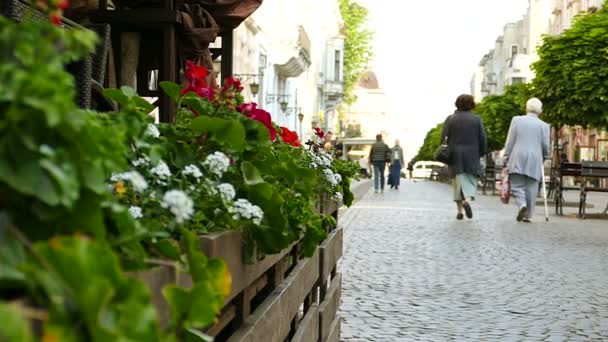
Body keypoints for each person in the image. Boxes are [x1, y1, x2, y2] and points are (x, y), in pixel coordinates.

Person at [504, 98, 550, 223]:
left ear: (526, 108)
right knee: (531, 187)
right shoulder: (544, 126)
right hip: (535, 158)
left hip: (517, 156)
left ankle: (522, 204)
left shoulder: (516, 120)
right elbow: (546, 145)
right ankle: (528, 215)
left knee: (517, 185)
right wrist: (545, 156)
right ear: (540, 111)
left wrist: (506, 154)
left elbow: (510, 140)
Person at [441, 94, 487, 220]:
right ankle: (467, 200)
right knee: (470, 181)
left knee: (457, 183)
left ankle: (460, 211)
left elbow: (443, 139)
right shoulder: (477, 119)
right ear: (472, 105)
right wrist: (482, 152)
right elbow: (482, 138)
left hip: (455, 156)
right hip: (472, 155)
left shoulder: (450, 119)